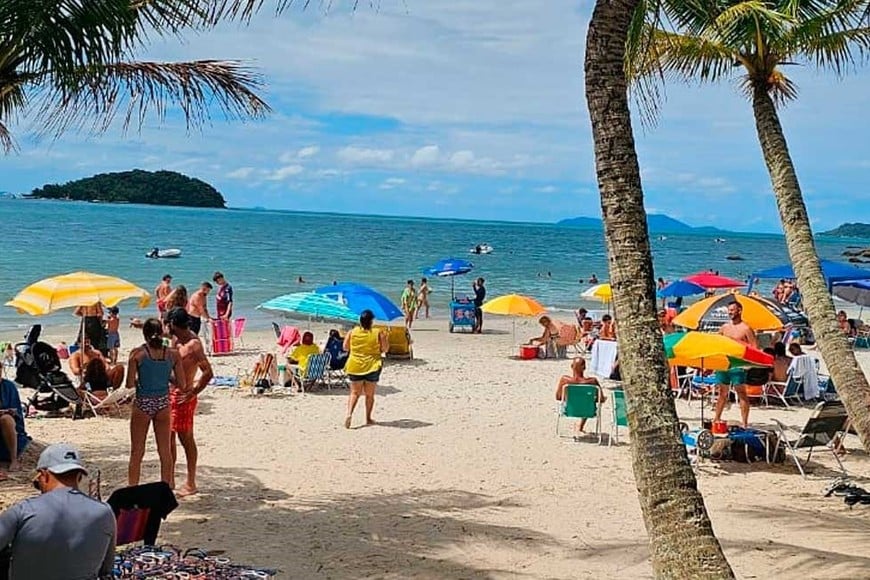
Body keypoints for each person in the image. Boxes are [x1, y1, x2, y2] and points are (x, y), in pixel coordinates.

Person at [0, 443, 115, 580]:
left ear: (44, 475)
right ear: (79, 477)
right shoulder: (104, 512)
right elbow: (106, 568)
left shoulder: (23, 511)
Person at [126, 318, 188, 486]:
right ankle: (165, 490)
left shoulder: (137, 354)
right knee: (165, 451)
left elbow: (130, 384)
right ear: (161, 333)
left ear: (144, 334)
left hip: (143, 403)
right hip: (162, 403)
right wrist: (165, 375)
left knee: (137, 452)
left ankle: (133, 490)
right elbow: (182, 384)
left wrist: (143, 378)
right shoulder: (172, 354)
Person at [165, 308, 213, 497]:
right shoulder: (175, 338)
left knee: (185, 439)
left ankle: (191, 482)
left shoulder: (193, 345)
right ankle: (169, 479)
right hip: (169, 394)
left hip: (183, 396)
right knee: (168, 437)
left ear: (174, 324)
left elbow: (208, 372)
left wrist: (193, 392)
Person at [713, 301, 757, 427]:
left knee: (741, 393)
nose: (730, 312)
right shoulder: (724, 327)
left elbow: (754, 347)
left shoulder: (746, 329)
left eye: (732, 310)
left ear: (739, 310)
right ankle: (716, 418)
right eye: (729, 310)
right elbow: (716, 343)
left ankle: (744, 423)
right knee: (722, 393)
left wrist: (748, 364)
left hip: (738, 365)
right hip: (724, 363)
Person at [343, 309, 389, 429]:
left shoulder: (352, 332)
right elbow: (385, 349)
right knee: (369, 395)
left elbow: (345, 347)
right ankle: (368, 418)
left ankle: (349, 414)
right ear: (372, 321)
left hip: (354, 365)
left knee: (354, 393)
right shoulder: (378, 332)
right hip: (372, 365)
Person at [555, 358, 605, 432]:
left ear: (571, 366)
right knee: (588, 402)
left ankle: (580, 426)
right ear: (584, 368)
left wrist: (572, 398)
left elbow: (558, 397)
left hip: (569, 410)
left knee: (583, 401)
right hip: (588, 410)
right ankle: (581, 426)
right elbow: (601, 399)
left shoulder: (564, 380)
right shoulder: (592, 382)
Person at [0, 379, 29, 479]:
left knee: (6, 419)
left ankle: (14, 459)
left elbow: (17, 412)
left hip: (7, 429)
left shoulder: (8, 386)